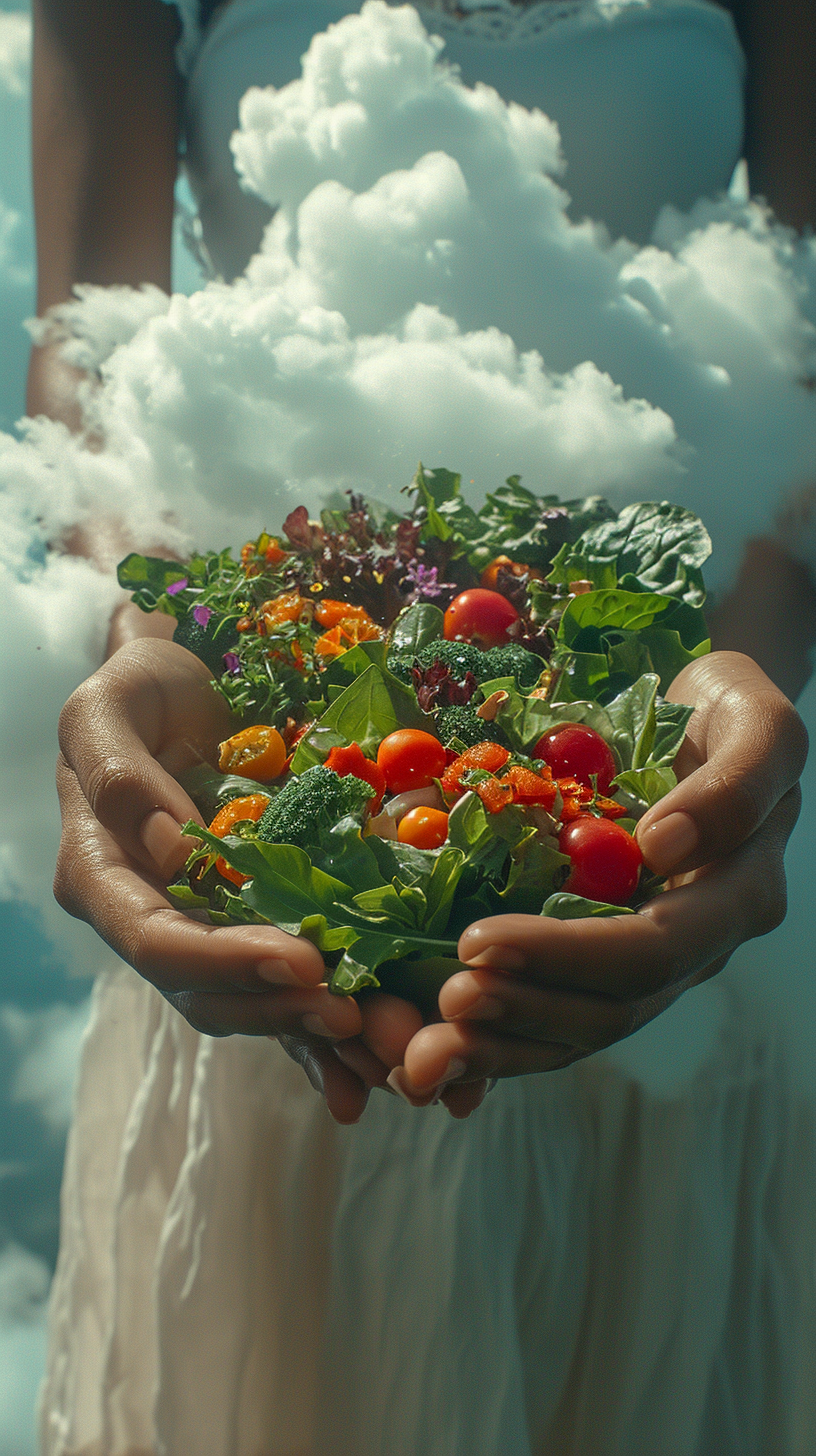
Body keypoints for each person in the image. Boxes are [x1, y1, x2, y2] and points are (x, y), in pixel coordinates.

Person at [30, 1, 815, 1452]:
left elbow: (809, 350)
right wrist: (151, 634)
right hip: (262, 803)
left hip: (655, 821)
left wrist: (728, 701)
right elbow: (88, 352)